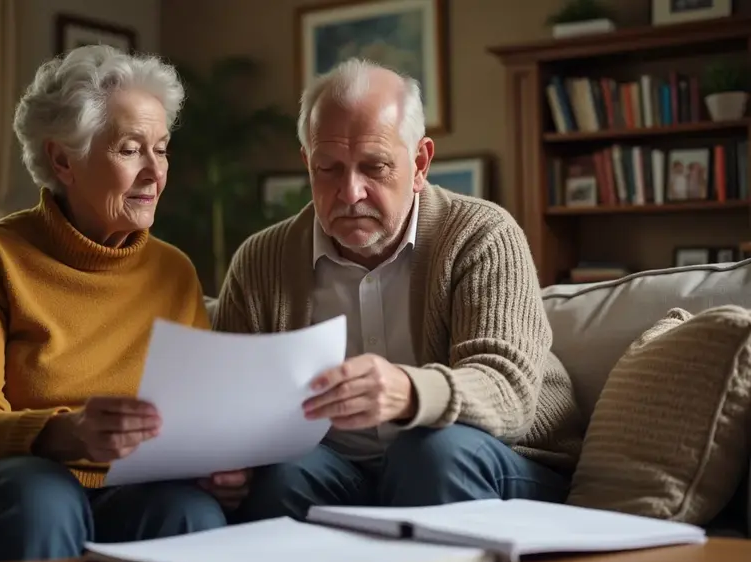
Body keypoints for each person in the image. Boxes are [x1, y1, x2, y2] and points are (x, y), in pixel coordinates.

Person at [0, 46, 245, 562]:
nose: (154, 173)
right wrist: (62, 432)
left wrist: (220, 464)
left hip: (111, 492)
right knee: (44, 496)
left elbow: (195, 415)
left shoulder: (174, 272)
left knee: (192, 514)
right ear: (62, 159)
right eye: (129, 149)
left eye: (162, 149)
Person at [215, 58, 584, 522]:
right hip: (342, 469)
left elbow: (508, 392)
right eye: (329, 168)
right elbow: (231, 401)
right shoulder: (261, 260)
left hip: (505, 455)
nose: (350, 193)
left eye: (375, 167)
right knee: (282, 474)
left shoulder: (481, 235)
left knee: (430, 454)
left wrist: (409, 390)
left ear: (420, 163)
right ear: (308, 162)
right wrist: (228, 461)